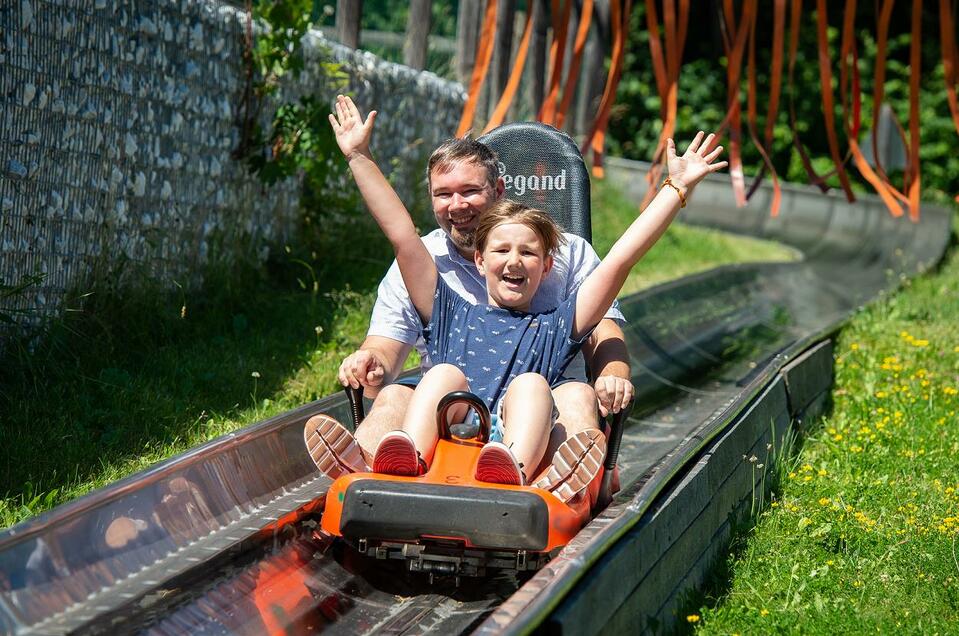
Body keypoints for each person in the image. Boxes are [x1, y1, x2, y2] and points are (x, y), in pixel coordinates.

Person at [307, 95, 726, 501]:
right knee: (439, 376)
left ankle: (522, 473)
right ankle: (398, 462)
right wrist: (359, 157)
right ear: (479, 260)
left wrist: (676, 188)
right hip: (451, 426)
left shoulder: (556, 326)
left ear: (546, 267)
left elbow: (620, 261)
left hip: (519, 437)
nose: (514, 262)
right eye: (502, 252)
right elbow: (400, 234)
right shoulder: (450, 310)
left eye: (528, 253)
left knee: (532, 385)